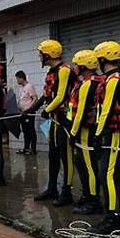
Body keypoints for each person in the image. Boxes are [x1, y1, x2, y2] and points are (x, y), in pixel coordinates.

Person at [87, 41, 120, 234]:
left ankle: (113, 217)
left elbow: (107, 110)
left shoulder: (115, 79)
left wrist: (98, 135)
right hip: (118, 132)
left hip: (114, 133)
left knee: (108, 174)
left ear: (102, 59)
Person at [29, 39, 76, 206]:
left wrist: (47, 110)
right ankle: (51, 188)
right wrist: (31, 109)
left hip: (64, 120)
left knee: (66, 156)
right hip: (54, 120)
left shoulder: (64, 70)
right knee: (53, 155)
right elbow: (47, 95)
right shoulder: (51, 72)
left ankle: (66, 191)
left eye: (41, 53)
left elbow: (61, 96)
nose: (39, 56)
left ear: (48, 54)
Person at [67, 50, 103, 215]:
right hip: (86, 131)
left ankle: (93, 201)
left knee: (89, 167)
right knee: (83, 166)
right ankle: (87, 195)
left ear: (83, 66)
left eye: (76, 64)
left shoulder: (88, 84)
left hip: (85, 132)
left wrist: (72, 133)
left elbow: (81, 113)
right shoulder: (90, 82)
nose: (74, 67)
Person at [15, 70, 38, 155]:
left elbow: (35, 98)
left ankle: (33, 149)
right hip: (22, 113)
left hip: (29, 113)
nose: (17, 81)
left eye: (17, 79)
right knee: (25, 131)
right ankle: (26, 148)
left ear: (21, 78)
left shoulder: (29, 86)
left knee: (31, 130)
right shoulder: (22, 88)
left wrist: (29, 109)